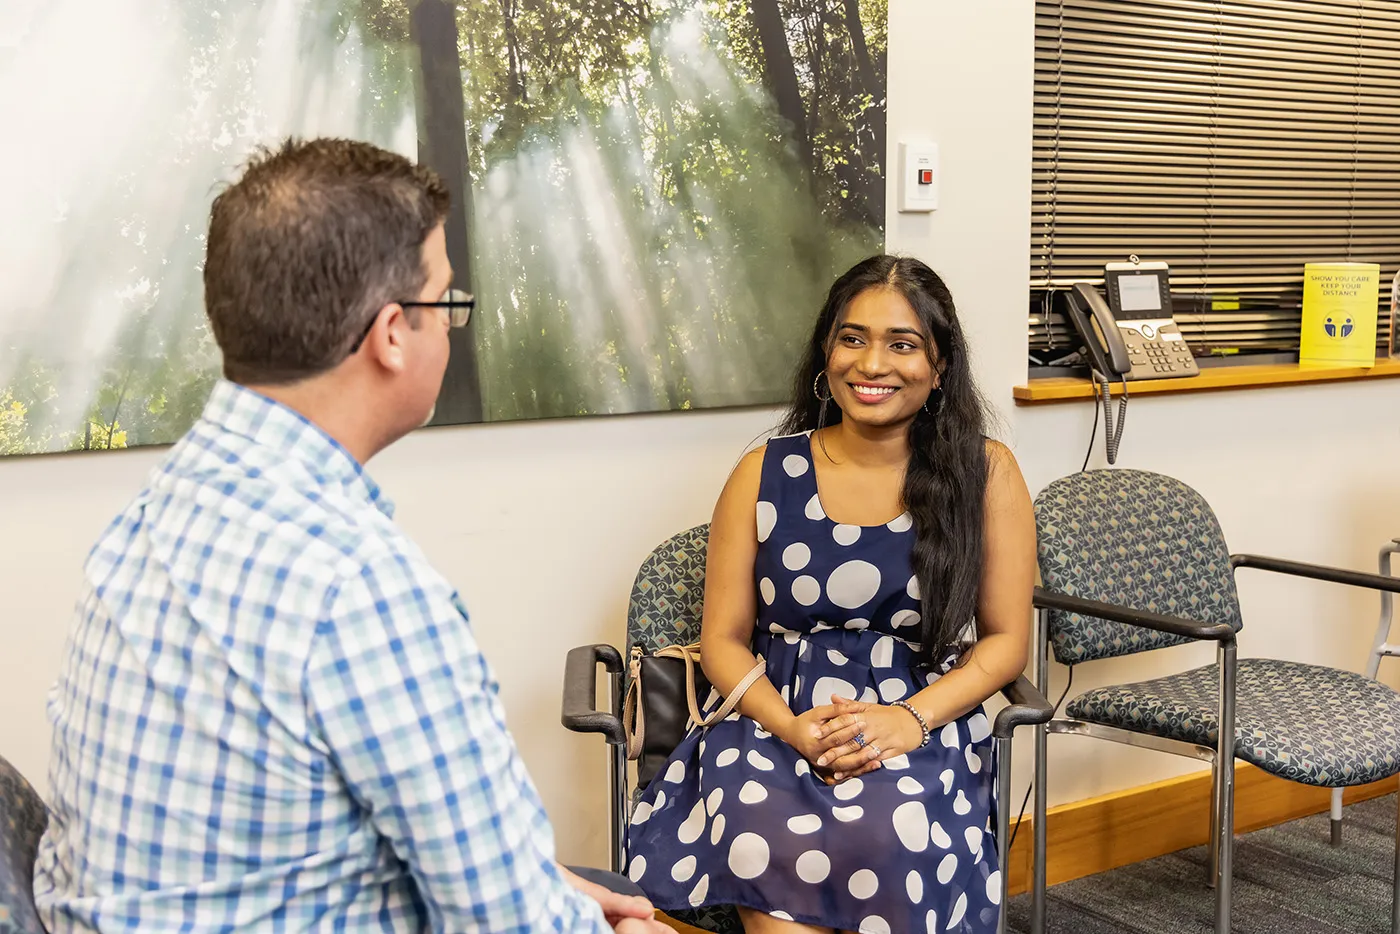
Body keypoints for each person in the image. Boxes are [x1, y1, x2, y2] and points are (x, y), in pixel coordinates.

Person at [31, 137, 669, 934]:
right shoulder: (357, 588)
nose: (453, 325)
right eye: (447, 302)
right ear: (393, 333)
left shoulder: (151, 519)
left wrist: (538, 882)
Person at [623, 255, 1036, 933]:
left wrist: (910, 720)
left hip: (920, 718)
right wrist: (789, 726)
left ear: (939, 367)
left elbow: (1005, 643)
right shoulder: (764, 471)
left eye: (902, 344)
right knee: (765, 833)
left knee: (891, 830)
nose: (872, 364)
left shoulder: (986, 474)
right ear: (826, 351)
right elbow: (723, 642)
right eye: (853, 338)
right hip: (769, 720)